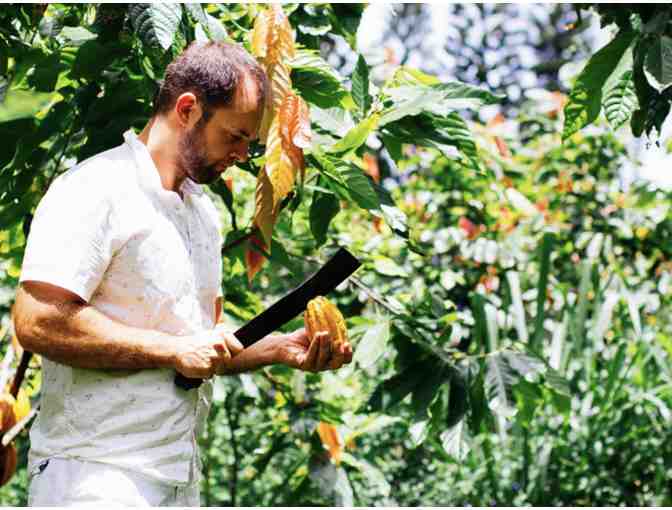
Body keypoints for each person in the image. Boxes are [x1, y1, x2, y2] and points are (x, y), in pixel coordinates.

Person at [12, 41, 353, 506]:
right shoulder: (96, 188)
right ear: (188, 109)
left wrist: (278, 349)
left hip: (177, 475)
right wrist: (173, 349)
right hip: (93, 473)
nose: (239, 155)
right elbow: (37, 320)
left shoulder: (201, 214)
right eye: (234, 137)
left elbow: (202, 345)